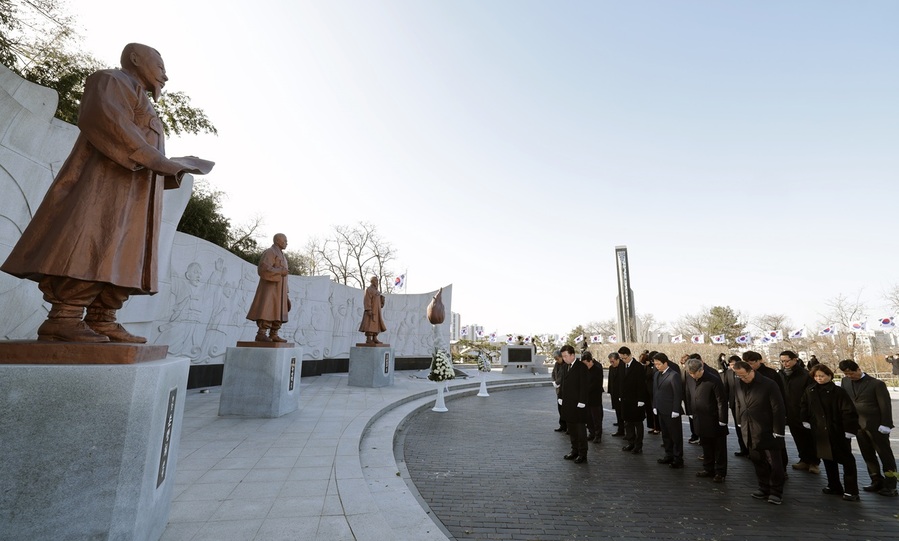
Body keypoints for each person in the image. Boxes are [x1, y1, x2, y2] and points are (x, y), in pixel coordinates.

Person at [0, 43, 213, 343]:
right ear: (136, 59)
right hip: (105, 186)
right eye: (161, 66)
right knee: (92, 242)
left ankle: (103, 316)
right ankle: (65, 315)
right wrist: (158, 160)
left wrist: (170, 165)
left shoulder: (144, 99)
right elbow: (108, 121)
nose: (166, 75)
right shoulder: (111, 80)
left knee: (124, 254)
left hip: (134, 195)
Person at [800, 364, 861, 501]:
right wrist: (805, 420)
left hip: (837, 431)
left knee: (847, 461)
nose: (819, 379)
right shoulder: (810, 390)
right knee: (827, 458)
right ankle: (834, 485)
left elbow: (848, 411)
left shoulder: (838, 392)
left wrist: (850, 429)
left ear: (829, 376)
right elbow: (804, 405)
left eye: (822, 376)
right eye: (816, 376)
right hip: (820, 431)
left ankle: (851, 491)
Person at [839, 359, 897, 497]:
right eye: (846, 374)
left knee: (885, 455)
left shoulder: (876, 384)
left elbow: (885, 406)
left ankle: (891, 485)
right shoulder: (845, 382)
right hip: (858, 426)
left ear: (859, 369)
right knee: (868, 454)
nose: (849, 376)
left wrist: (886, 424)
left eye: (851, 373)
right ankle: (876, 480)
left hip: (877, 426)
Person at [733, 360, 787, 505]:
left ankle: (776, 491)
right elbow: (738, 403)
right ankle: (763, 487)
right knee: (757, 460)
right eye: (739, 376)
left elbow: (778, 408)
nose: (743, 379)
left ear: (751, 371)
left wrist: (778, 430)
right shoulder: (739, 384)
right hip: (749, 428)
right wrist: (739, 420)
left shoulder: (769, 384)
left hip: (768, 430)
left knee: (775, 464)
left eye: (744, 376)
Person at [686, 358, 729, 482]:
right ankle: (708, 468)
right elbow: (689, 395)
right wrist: (690, 412)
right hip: (700, 418)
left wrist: (722, 419)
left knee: (719, 448)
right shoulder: (690, 379)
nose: (693, 376)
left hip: (714, 419)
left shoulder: (713, 379)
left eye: (695, 373)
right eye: (690, 373)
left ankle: (720, 472)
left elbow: (721, 400)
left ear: (701, 369)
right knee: (706, 446)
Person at [778, 350, 819, 474]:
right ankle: (804, 460)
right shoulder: (780, 374)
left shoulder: (805, 375)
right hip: (790, 412)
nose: (785, 363)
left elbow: (812, 396)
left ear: (795, 359)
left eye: (787, 361)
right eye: (782, 361)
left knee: (810, 438)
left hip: (804, 412)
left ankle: (814, 462)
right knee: (798, 437)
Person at [245, 234, 291, 342]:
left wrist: (286, 292)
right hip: (271, 288)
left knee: (279, 311)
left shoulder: (283, 256)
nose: (286, 243)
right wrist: (280, 271)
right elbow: (263, 269)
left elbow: (285, 276)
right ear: (277, 241)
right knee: (268, 309)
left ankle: (274, 333)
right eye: (285, 240)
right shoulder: (270, 252)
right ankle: (261, 333)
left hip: (281, 290)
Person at [652, 353, 684, 468]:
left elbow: (677, 394)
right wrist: (654, 406)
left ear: (665, 363)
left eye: (659, 364)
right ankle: (668, 455)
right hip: (661, 409)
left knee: (675, 436)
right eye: (655, 364)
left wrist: (676, 409)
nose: (657, 366)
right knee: (665, 435)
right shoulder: (656, 375)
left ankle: (678, 458)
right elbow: (655, 392)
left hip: (671, 411)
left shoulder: (673, 375)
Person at [559, 345, 590, 464]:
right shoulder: (565, 367)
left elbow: (584, 385)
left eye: (566, 356)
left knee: (580, 431)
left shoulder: (581, 367)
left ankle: (583, 454)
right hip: (568, 405)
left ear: (572, 355)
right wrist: (561, 397)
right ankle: (574, 450)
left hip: (578, 405)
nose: (564, 358)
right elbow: (563, 383)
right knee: (571, 430)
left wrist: (582, 401)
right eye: (563, 356)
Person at [617, 346, 648, 454]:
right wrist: (620, 395)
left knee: (637, 423)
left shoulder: (638, 367)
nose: (623, 360)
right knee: (628, 423)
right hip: (626, 400)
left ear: (629, 355)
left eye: (624, 358)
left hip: (636, 400)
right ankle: (631, 442)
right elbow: (621, 381)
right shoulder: (622, 365)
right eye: (621, 358)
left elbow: (641, 384)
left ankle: (638, 445)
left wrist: (641, 399)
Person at [722, 355, 749, 457]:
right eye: (731, 365)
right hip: (734, 404)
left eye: (734, 364)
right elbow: (726, 388)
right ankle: (743, 449)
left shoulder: (745, 372)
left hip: (745, 404)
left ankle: (750, 449)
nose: (732, 366)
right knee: (738, 427)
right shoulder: (728, 373)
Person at [582, 351, 604, 443]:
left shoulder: (597, 370)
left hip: (595, 397)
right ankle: (591, 433)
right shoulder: (585, 370)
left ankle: (598, 435)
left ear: (590, 361)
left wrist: (586, 389)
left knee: (596, 418)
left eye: (585, 363)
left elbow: (596, 384)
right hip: (587, 398)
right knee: (588, 417)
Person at [359, 276, 386, 344]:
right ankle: (368, 339)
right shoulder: (369, 289)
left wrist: (382, 301)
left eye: (377, 281)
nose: (377, 282)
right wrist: (368, 309)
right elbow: (367, 300)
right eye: (375, 281)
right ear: (372, 281)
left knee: (377, 324)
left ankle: (375, 338)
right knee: (369, 324)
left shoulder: (377, 291)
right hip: (371, 311)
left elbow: (379, 302)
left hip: (377, 312)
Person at [551, 349, 568, 433]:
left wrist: (558, 382)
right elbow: (553, 373)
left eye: (557, 358)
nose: (557, 360)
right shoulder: (556, 364)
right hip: (558, 390)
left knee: (566, 409)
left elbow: (564, 376)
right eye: (555, 359)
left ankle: (568, 426)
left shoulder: (566, 365)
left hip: (565, 389)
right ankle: (562, 425)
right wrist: (554, 381)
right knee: (560, 408)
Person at [608, 352, 624, 437]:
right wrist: (610, 391)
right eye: (610, 361)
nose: (611, 363)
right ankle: (620, 429)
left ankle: (625, 430)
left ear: (618, 359)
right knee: (618, 411)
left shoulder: (623, 366)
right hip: (614, 394)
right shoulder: (611, 368)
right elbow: (610, 381)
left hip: (622, 394)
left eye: (613, 361)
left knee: (624, 413)